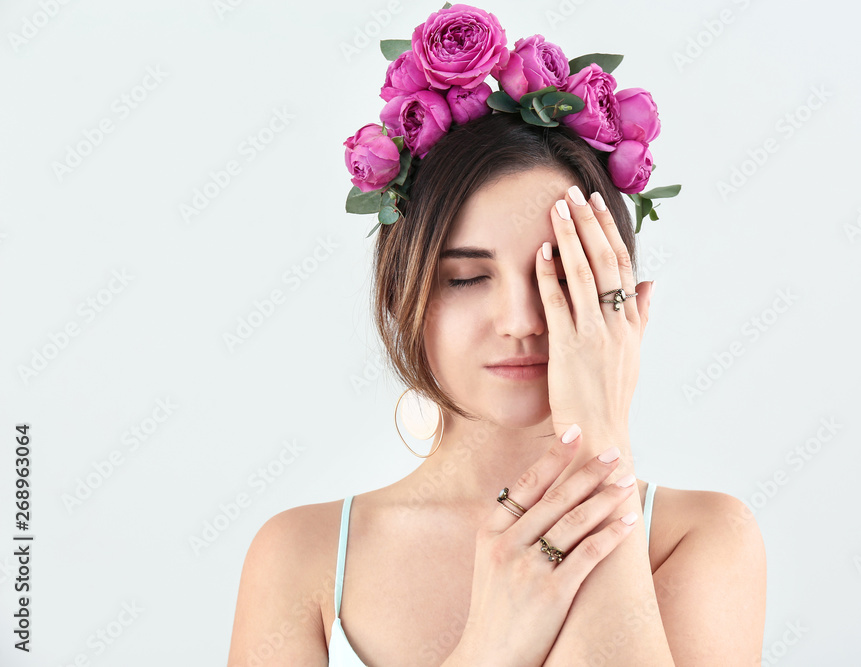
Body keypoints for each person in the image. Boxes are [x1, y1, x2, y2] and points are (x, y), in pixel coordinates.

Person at [228, 5, 766, 665]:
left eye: (563, 272)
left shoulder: (702, 538)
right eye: (465, 278)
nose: (520, 321)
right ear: (405, 294)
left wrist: (599, 442)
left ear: (620, 293)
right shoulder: (301, 557)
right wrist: (492, 644)